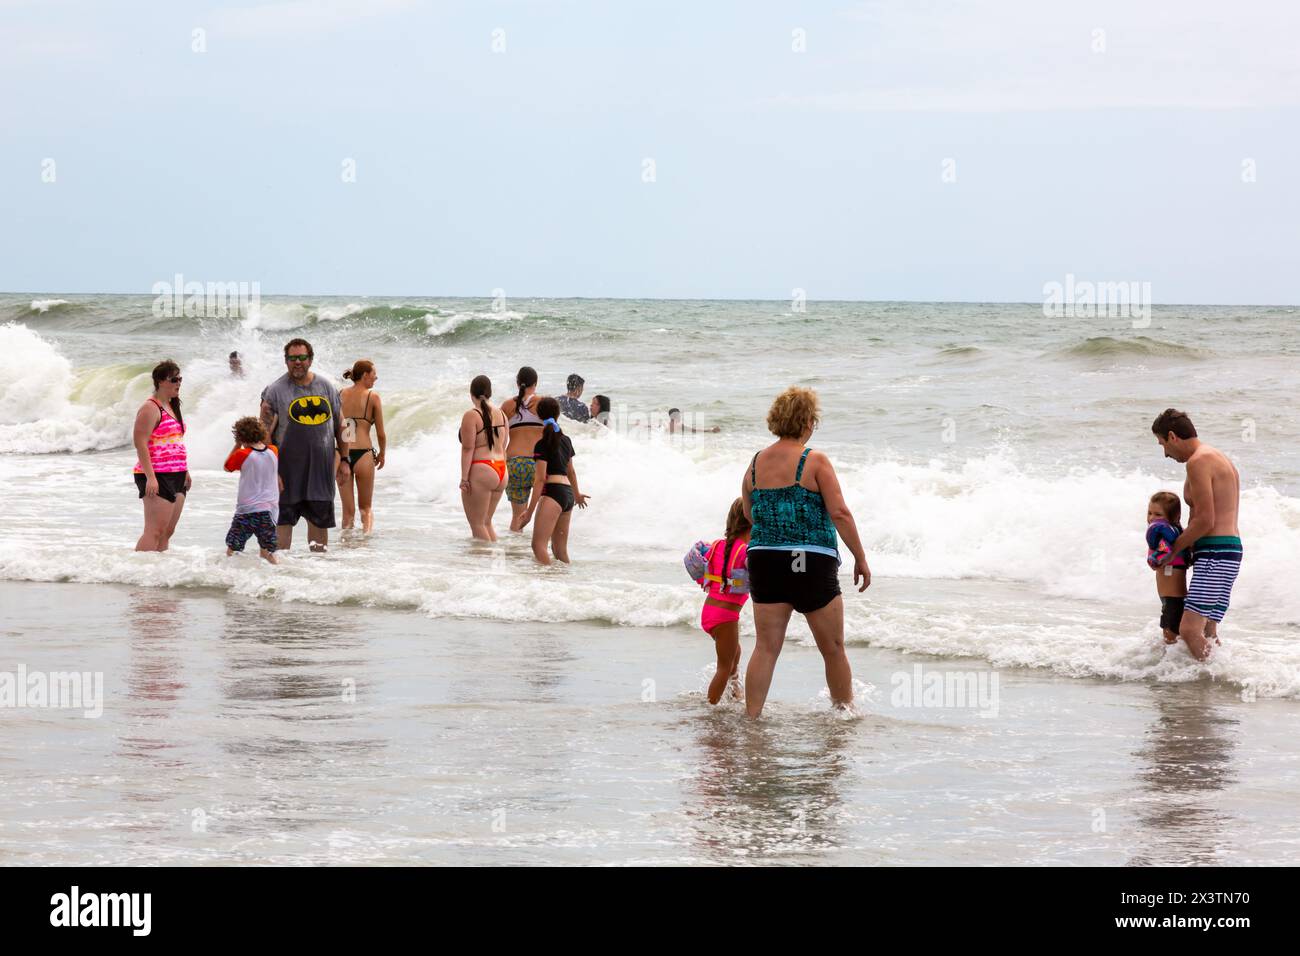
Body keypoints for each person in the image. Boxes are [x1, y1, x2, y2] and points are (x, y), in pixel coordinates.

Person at [740, 387, 871, 718]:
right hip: (809, 561)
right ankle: (843, 714)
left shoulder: (756, 463)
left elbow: (749, 513)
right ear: (808, 422)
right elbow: (839, 512)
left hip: (765, 558)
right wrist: (860, 557)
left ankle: (752, 718)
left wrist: (776, 534)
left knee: (766, 647)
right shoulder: (814, 460)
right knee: (833, 648)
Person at [1152, 408, 1242, 661]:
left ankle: (1214, 679)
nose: (1166, 453)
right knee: (1208, 631)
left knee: (1189, 630)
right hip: (1227, 550)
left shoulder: (1198, 461)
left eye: (1162, 444)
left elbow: (1205, 519)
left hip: (1216, 551)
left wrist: (1172, 551)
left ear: (1172, 436)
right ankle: (1218, 680)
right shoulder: (1217, 456)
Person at [259, 338, 349, 553]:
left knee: (319, 541)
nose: (297, 362)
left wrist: (345, 460)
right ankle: (278, 580)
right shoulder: (275, 391)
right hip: (286, 475)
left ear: (310, 359)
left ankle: (315, 579)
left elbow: (343, 425)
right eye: (292, 358)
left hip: (320, 474)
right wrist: (272, 471)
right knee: (281, 539)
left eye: (301, 358)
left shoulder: (326, 387)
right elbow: (264, 435)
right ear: (286, 361)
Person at [695, 499, 752, 705]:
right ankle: (711, 709)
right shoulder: (746, 551)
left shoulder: (718, 545)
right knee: (724, 667)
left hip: (709, 612)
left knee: (735, 654)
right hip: (726, 617)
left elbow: (699, 566)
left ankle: (735, 696)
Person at [520, 397, 590, 564]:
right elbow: (571, 471)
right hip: (567, 494)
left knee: (538, 546)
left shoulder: (542, 444)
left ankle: (549, 583)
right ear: (558, 414)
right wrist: (577, 494)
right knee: (560, 550)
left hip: (553, 493)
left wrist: (529, 512)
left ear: (539, 415)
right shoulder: (566, 440)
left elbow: (540, 479)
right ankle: (566, 584)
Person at [132, 361, 190, 552]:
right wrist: (150, 477)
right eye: (174, 379)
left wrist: (186, 471)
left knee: (167, 531)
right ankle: (137, 571)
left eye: (180, 378)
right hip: (157, 475)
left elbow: (176, 442)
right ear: (160, 381)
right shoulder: (150, 408)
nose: (178, 383)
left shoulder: (173, 405)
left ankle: (158, 574)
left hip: (178, 474)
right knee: (154, 531)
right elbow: (140, 443)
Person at [338, 359, 386, 534]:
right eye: (374, 375)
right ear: (365, 375)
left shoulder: (340, 394)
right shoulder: (372, 396)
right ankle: (366, 543)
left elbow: (336, 427)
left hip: (341, 454)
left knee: (347, 513)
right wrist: (382, 454)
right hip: (363, 454)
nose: (376, 379)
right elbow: (381, 433)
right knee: (366, 509)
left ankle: (346, 547)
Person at [224, 416, 281, 564]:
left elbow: (227, 467)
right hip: (269, 510)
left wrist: (237, 445)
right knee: (268, 552)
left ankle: (229, 576)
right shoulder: (273, 451)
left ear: (241, 437)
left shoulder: (242, 454)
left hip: (247, 511)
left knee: (233, 550)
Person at [458, 375, 508, 541]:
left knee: (478, 525)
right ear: (489, 393)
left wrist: (464, 478)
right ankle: (493, 561)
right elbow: (504, 444)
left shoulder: (472, 415)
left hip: (482, 469)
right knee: (486, 522)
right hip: (501, 470)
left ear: (471, 393)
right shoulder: (501, 414)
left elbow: (467, 448)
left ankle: (483, 564)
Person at [501, 366, 543, 532]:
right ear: (536, 383)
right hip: (538, 464)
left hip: (514, 464)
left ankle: (514, 553)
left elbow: (498, 437)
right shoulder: (542, 402)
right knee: (541, 515)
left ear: (518, 383)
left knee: (517, 518)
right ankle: (538, 552)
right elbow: (554, 433)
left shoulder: (506, 406)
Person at [1146, 491, 1191, 645]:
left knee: (1169, 634)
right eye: (1150, 513)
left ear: (1174, 516)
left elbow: (1164, 553)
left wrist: (1154, 560)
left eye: (1158, 514)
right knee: (1172, 636)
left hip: (1173, 599)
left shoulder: (1165, 537)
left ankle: (1172, 665)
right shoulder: (1173, 533)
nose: (1152, 518)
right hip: (1170, 598)